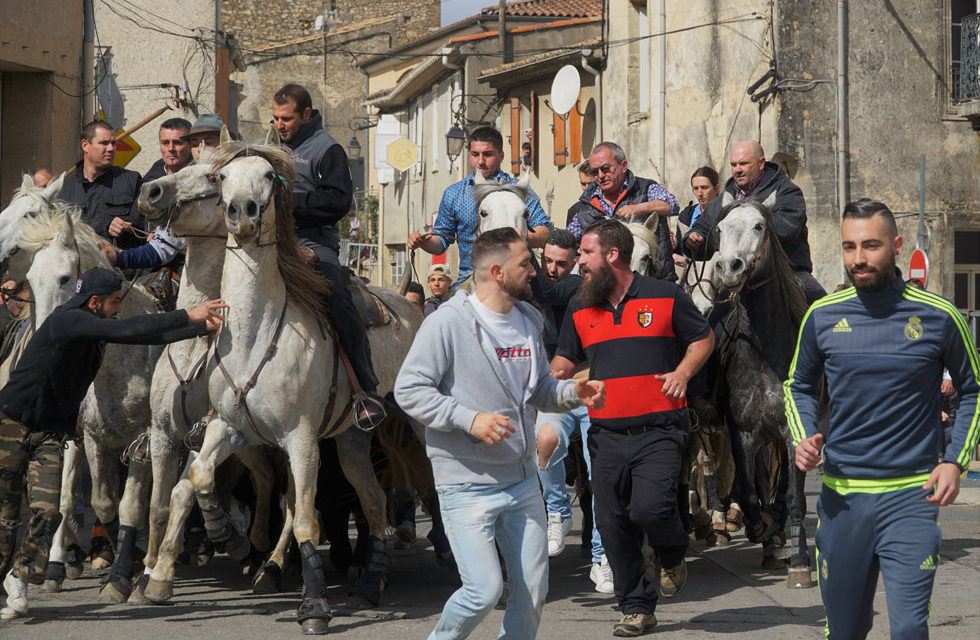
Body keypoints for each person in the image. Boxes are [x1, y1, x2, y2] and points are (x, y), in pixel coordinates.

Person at [395, 227, 605, 640]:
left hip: (523, 481)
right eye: (526, 263)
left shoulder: (529, 319)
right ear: (497, 271)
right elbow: (408, 389)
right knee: (483, 590)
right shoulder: (447, 323)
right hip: (465, 484)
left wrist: (571, 392)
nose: (536, 272)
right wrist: (468, 418)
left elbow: (539, 389)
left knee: (532, 591)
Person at [785, 199, 979, 640]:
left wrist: (955, 461)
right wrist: (803, 436)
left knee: (910, 628)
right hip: (842, 502)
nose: (858, 258)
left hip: (912, 499)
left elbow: (973, 389)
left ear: (895, 245)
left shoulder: (939, 315)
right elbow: (796, 384)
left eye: (870, 246)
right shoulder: (822, 316)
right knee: (846, 630)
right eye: (849, 247)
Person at [0, 267, 225, 620]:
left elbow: (144, 337)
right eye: (114, 302)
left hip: (49, 434)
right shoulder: (68, 320)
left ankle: (21, 576)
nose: (118, 309)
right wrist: (188, 313)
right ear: (94, 302)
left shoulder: (92, 327)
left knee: (46, 510)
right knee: (5, 514)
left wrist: (200, 327)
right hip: (10, 425)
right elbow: (126, 329)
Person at [552, 219, 713, 637]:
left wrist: (682, 371)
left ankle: (673, 554)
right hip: (605, 434)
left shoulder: (666, 295)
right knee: (613, 523)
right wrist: (541, 378)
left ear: (612, 255)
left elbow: (703, 338)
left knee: (651, 509)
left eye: (585, 254)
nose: (579, 263)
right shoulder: (579, 305)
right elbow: (564, 362)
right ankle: (637, 607)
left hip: (660, 428)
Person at [272, 83, 384, 427]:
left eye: (287, 118)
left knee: (337, 295)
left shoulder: (327, 149)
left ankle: (365, 386)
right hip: (269, 241)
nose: (280, 125)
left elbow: (337, 203)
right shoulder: (267, 147)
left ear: (306, 115)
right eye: (275, 119)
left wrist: (289, 201)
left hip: (313, 243)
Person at [528, 229, 613, 592]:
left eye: (561, 263)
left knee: (602, 475)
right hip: (553, 390)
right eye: (546, 261)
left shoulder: (578, 285)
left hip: (588, 386)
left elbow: (545, 292)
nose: (552, 269)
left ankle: (602, 557)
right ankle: (558, 512)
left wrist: (525, 243)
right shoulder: (529, 289)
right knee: (543, 441)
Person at [406, 126, 552, 285]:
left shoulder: (519, 190)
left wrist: (516, 237)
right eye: (475, 154)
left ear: (501, 156)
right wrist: (423, 243)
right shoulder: (454, 194)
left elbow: (545, 233)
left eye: (488, 154)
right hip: (469, 282)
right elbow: (440, 241)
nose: (480, 161)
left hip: (514, 280)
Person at [685, 140, 825, 302]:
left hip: (787, 273)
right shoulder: (725, 198)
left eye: (743, 164)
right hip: (737, 277)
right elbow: (703, 227)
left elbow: (788, 228)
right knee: (711, 324)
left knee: (822, 310)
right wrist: (693, 239)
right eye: (734, 164)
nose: (737, 170)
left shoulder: (787, 192)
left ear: (761, 163)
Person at [566, 142, 679, 282]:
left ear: (623, 166)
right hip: (606, 291)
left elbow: (672, 205)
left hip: (657, 284)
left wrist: (638, 208)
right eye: (595, 171)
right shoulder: (585, 207)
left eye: (606, 169)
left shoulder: (646, 188)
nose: (600, 176)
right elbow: (568, 241)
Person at [60, 120, 144, 249]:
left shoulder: (132, 181)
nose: (111, 149)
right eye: (104, 143)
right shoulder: (63, 190)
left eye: (113, 143)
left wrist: (125, 228)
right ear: (85, 145)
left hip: (120, 266)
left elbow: (145, 230)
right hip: (80, 266)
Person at [674, 166, 720, 266]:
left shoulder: (726, 214)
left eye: (704, 188)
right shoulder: (686, 215)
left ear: (716, 188)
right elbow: (680, 251)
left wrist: (687, 262)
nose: (699, 193)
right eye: (696, 188)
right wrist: (674, 245)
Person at [143, 118, 193, 182]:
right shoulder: (150, 181)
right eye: (165, 143)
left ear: (191, 144)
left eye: (177, 143)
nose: (171, 149)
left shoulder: (205, 176)